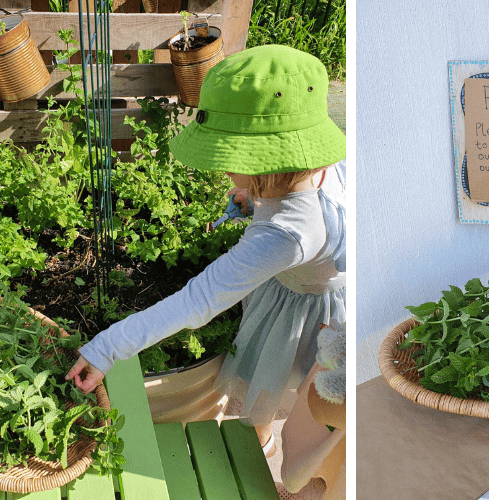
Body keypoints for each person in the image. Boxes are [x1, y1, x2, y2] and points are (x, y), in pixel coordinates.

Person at [66, 44, 346, 449]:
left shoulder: (283, 237)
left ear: (261, 162)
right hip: (304, 273)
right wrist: (257, 196)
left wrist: (105, 349)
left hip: (301, 309)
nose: (222, 165)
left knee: (269, 381)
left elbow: (196, 303)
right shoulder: (323, 165)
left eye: (228, 155)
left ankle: (262, 447)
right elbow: (310, 204)